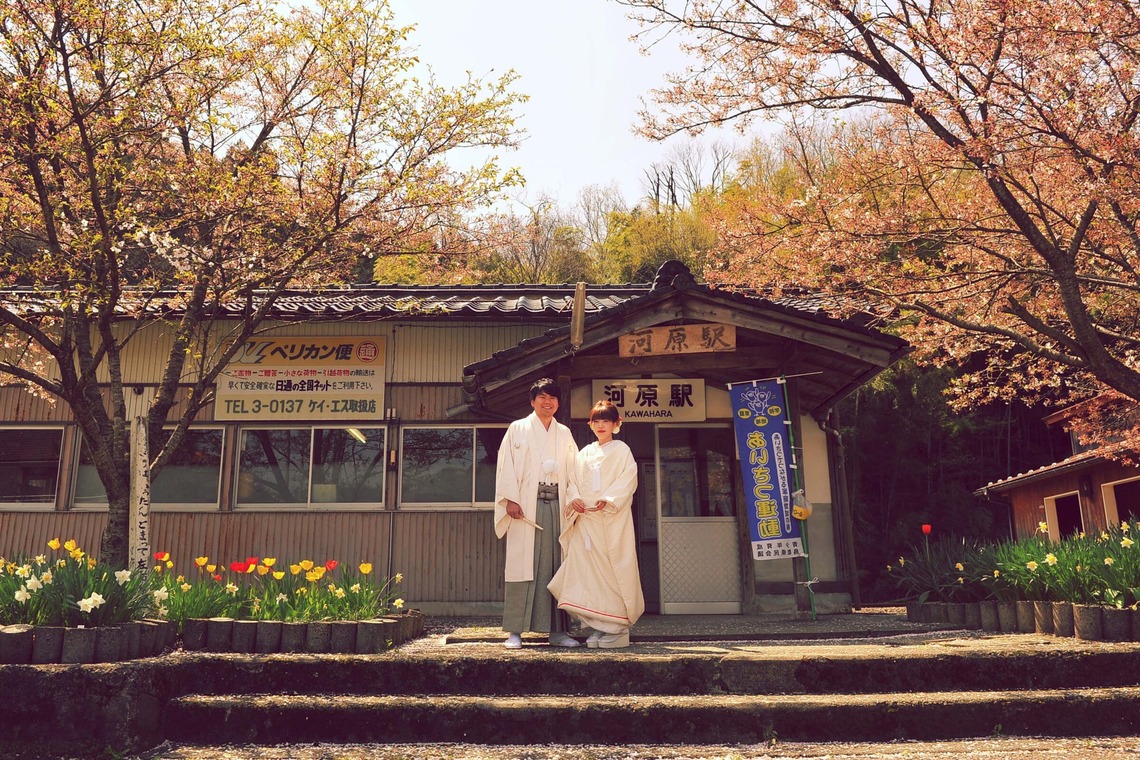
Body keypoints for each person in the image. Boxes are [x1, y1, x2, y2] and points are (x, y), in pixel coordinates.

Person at [493, 378, 582, 649]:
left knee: (557, 562)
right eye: (542, 397)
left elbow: (575, 468)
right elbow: (505, 465)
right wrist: (510, 499)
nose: (548, 402)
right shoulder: (517, 428)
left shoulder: (564, 433)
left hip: (557, 504)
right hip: (525, 507)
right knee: (523, 565)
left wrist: (576, 496)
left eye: (553, 398)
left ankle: (558, 632)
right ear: (532, 401)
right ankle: (515, 632)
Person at [548, 400, 644, 649]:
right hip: (587, 522)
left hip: (611, 519)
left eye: (606, 421)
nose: (601, 426)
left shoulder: (622, 450)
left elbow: (628, 479)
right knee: (587, 571)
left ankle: (618, 627)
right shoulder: (586, 452)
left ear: (616, 424)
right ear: (590, 424)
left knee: (613, 569)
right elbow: (573, 482)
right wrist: (576, 499)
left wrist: (607, 500)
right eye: (596, 421)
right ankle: (601, 626)